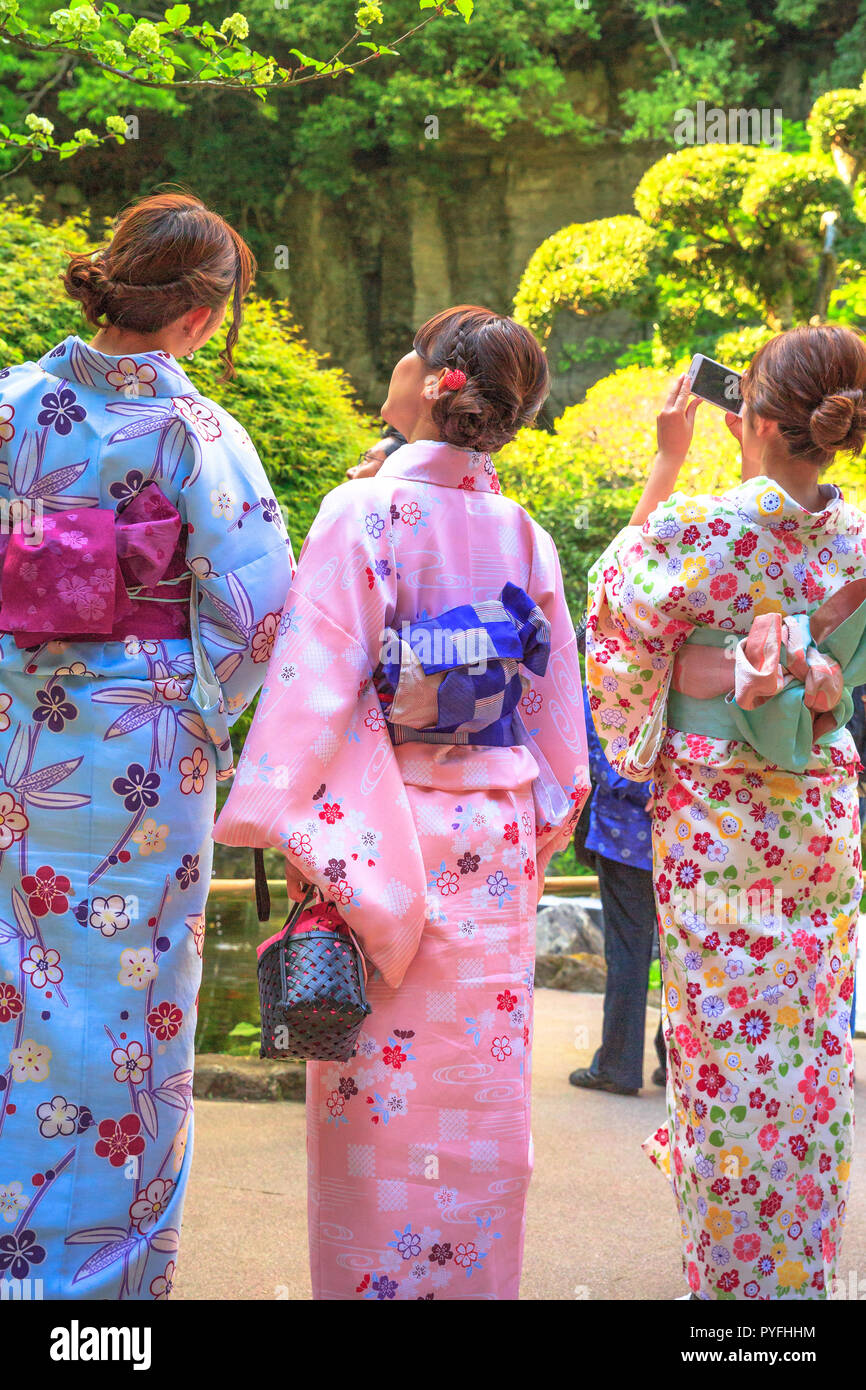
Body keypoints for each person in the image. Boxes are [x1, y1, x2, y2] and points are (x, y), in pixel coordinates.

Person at [215, 304, 590, 1300]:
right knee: (478, 1106)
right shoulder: (525, 533)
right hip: (496, 834)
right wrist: (531, 823)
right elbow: (560, 734)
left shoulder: (364, 512)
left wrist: (287, 820)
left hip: (383, 839)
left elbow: (316, 687)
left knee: (377, 1105)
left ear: (432, 381)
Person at [0, 192, 294, 1299]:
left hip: (17, 749)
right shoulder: (196, 433)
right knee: (133, 1011)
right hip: (139, 762)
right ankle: (106, 1295)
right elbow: (262, 617)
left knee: (16, 994)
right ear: (203, 315)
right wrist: (197, 708)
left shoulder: (10, 405)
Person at [587, 323, 866, 1300]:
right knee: (809, 1049)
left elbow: (610, 619)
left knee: (724, 1051)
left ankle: (732, 1295)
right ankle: (797, 1287)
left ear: (745, 415)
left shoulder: (699, 529)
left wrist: (666, 467)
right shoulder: (857, 538)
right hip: (819, 806)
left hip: (718, 817)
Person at [569, 684, 666, 1095]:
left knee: (628, 954)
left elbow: (604, 762)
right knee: (683, 952)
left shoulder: (609, 678)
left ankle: (618, 1066)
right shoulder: (678, 661)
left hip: (627, 838)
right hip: (688, 831)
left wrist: (651, 787)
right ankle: (677, 1059)